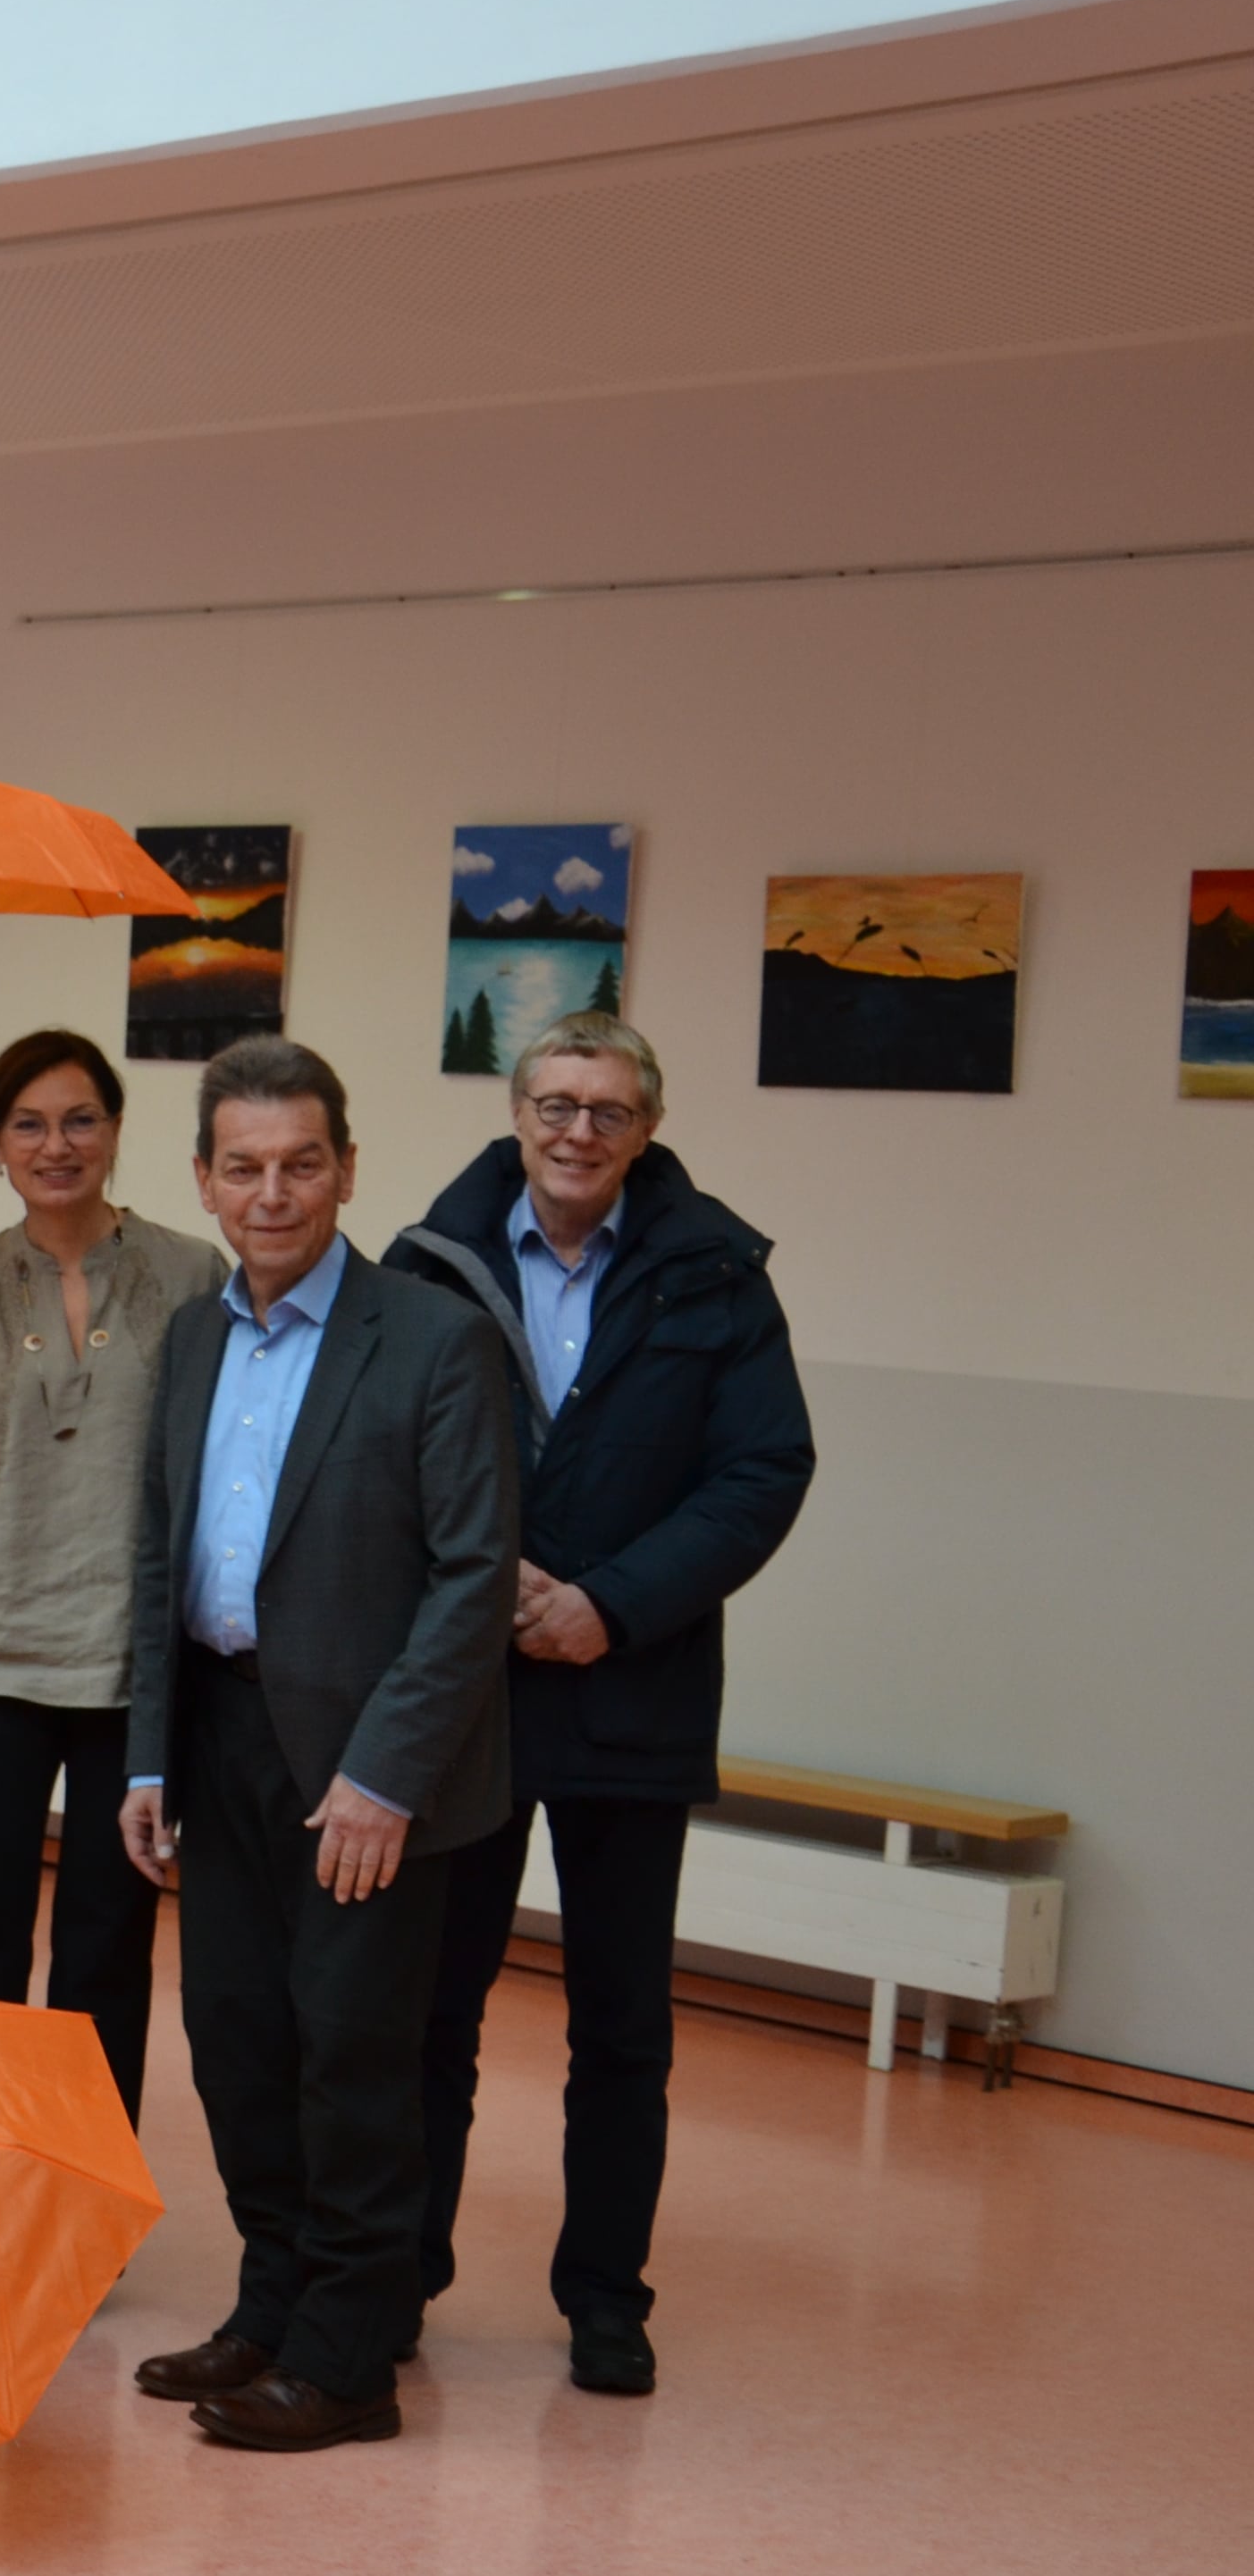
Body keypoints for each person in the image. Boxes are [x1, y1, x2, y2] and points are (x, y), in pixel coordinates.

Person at [385, 1011, 813, 2398]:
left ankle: (606, 2296)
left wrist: (606, 1605)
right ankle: (402, 2269)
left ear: (647, 1129)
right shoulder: (427, 1265)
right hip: (469, 1690)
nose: (580, 1132)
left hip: (635, 1689)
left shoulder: (716, 1277)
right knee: (435, 2008)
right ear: (516, 1114)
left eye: (610, 1110)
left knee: (622, 2024)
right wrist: (488, 1577)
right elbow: (382, 1451)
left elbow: (762, 1473)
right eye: (557, 1104)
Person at [118, 1036, 521, 2453]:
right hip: (222, 1738)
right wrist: (150, 1758)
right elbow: (163, 1555)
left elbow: (477, 1578)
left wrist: (387, 1774)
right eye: (245, 1168)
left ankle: (350, 2356)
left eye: (301, 1165)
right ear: (206, 1182)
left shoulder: (433, 1339)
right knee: (236, 2042)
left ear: (346, 1169)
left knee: (352, 2054)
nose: (274, 1193)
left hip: (367, 1769)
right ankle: (272, 2310)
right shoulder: (192, 1335)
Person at [0, 1028, 222, 2120]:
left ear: (114, 1132)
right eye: (28, 1123)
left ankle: (79, 2187)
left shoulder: (194, 1276)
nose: (55, 1144)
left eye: (80, 1120)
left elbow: (222, 1478)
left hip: (132, 1676)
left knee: (107, 1947)